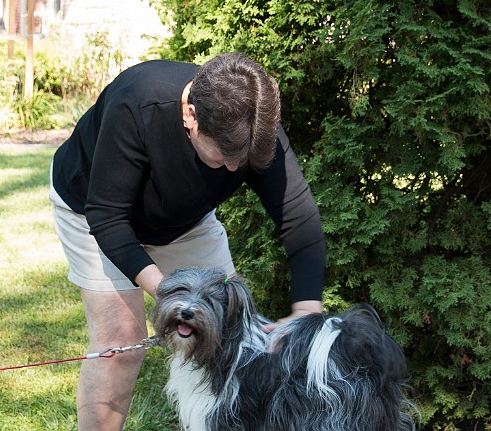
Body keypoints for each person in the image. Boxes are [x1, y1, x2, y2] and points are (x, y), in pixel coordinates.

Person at [49, 52, 326, 430]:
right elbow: (107, 217)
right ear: (190, 116)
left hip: (183, 221)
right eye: (223, 158)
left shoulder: (255, 125)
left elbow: (299, 217)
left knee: (233, 335)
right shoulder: (139, 101)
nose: (233, 169)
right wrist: (177, 296)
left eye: (241, 163)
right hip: (92, 210)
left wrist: (307, 315)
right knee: (119, 342)